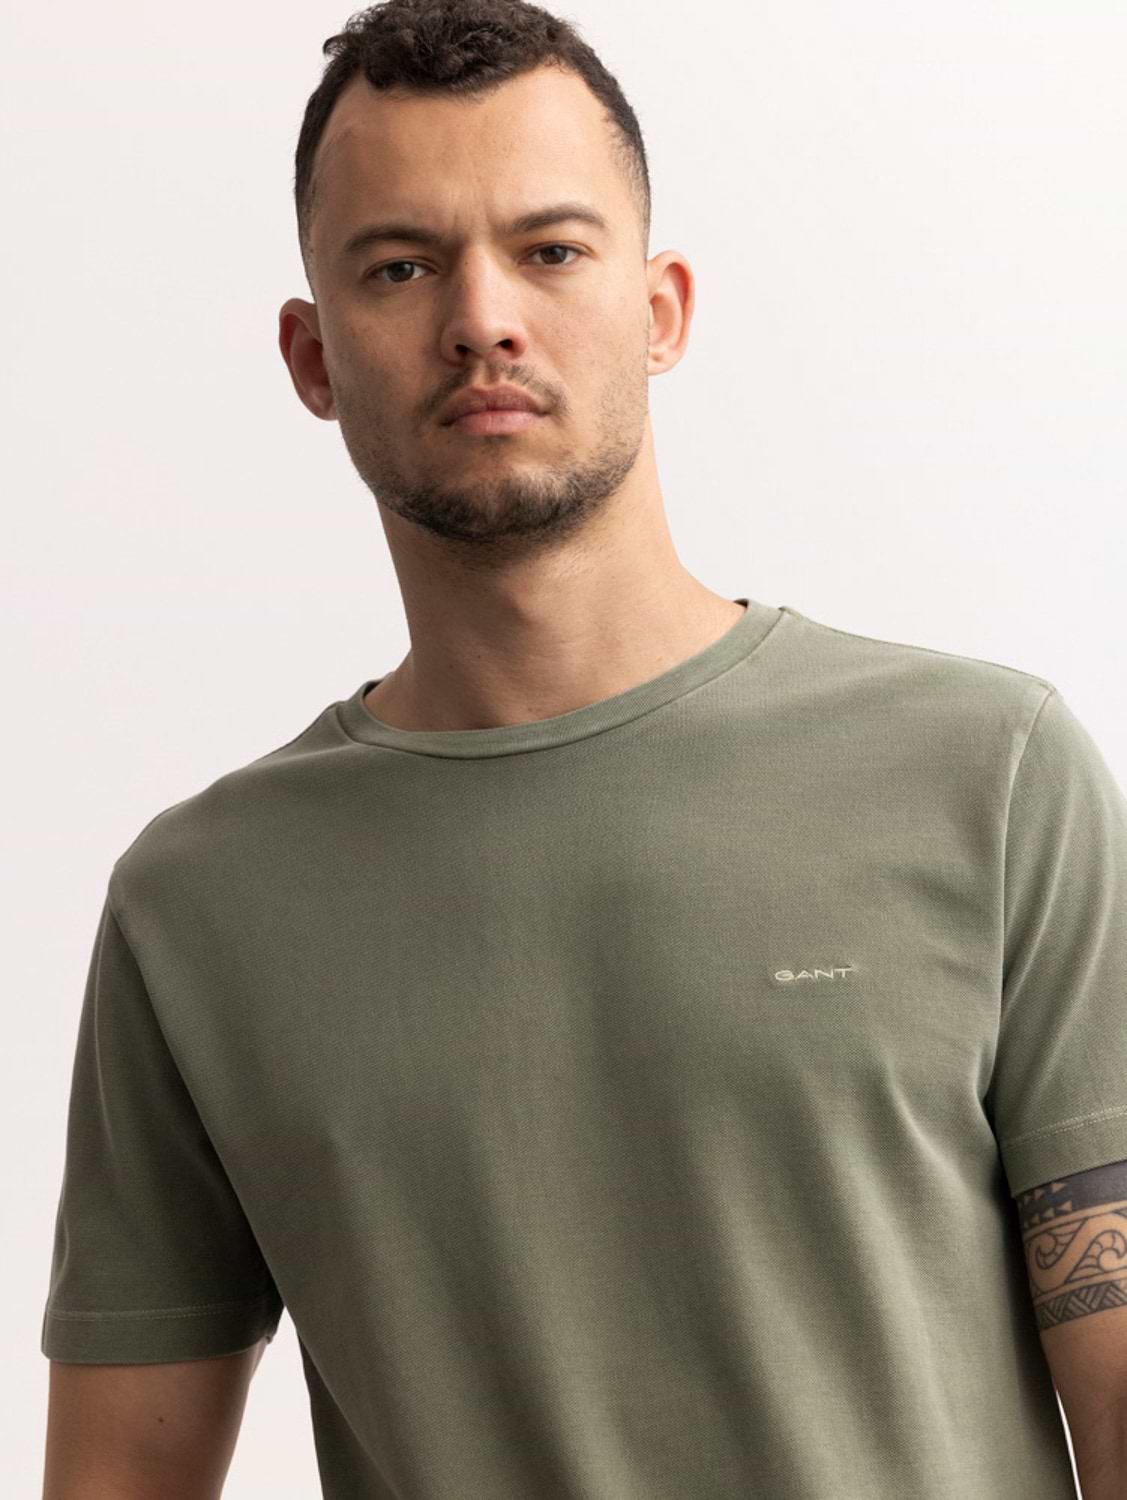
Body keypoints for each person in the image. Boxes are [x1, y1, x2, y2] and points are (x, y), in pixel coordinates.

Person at [40, 2, 1127, 1497]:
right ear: (310, 354)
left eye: (550, 250)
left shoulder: (988, 775)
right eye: (400, 265)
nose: (482, 317)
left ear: (661, 309)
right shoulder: (199, 907)